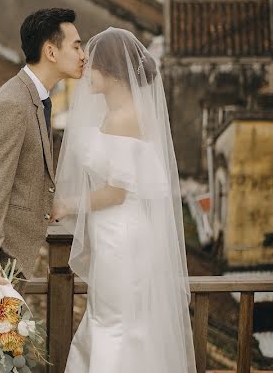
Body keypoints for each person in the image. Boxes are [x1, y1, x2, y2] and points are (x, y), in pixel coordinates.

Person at [53, 27, 195, 373]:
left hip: (121, 237)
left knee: (114, 324)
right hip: (119, 234)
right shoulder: (121, 114)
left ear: (115, 72)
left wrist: (65, 205)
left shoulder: (122, 119)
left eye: (94, 62)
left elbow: (117, 192)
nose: (85, 65)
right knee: (116, 321)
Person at [0, 8, 86, 285]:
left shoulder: (36, 98)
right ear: (51, 52)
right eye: (76, 46)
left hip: (10, 252)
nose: (83, 55)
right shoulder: (13, 103)